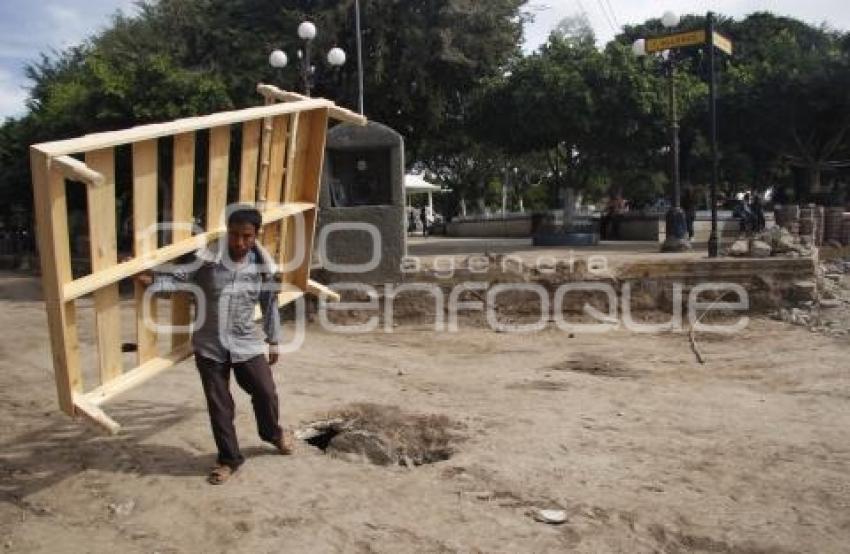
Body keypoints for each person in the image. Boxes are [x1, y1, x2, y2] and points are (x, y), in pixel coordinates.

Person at [136, 206, 293, 485]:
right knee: (220, 406)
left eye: (246, 236)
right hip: (210, 346)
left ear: (256, 235)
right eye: (234, 235)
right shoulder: (206, 260)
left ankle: (273, 434)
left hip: (246, 342)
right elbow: (177, 279)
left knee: (265, 392)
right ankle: (229, 459)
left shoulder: (263, 268)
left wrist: (274, 340)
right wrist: (149, 279)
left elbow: (270, 305)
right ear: (227, 232)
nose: (240, 243)